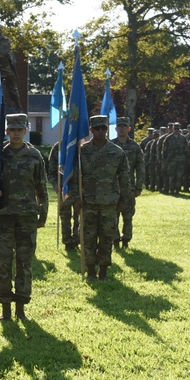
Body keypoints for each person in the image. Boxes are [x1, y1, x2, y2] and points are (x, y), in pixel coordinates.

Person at [0, 113, 47, 320]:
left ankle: (21, 308)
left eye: (19, 130)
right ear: (7, 131)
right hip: (3, 216)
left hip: (27, 216)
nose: (15, 134)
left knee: (24, 263)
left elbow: (41, 187)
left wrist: (43, 213)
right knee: (3, 263)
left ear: (25, 131)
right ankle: (5, 309)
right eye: (12, 130)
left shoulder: (34, 155)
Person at [68, 115, 131, 280]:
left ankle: (103, 270)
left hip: (109, 202)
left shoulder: (117, 152)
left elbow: (124, 178)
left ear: (107, 129)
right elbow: (74, 177)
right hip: (87, 202)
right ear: (91, 130)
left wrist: (124, 199)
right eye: (97, 128)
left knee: (106, 238)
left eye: (103, 128)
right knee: (88, 238)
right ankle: (90, 270)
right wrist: (75, 198)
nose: (101, 131)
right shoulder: (82, 151)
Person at [112, 117, 144, 247]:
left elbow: (140, 167)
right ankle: (115, 240)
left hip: (129, 187)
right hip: (113, 187)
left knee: (128, 215)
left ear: (129, 129)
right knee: (113, 215)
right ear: (116, 129)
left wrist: (139, 187)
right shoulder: (111, 145)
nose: (122, 129)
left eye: (124, 126)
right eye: (120, 126)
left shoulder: (135, 146)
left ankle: (126, 239)